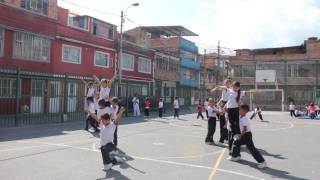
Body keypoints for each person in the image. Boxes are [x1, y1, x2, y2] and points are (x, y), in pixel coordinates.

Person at [228, 104, 267, 169]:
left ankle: (262, 162)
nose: (238, 110)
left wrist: (240, 136)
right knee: (235, 144)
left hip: (246, 135)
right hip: (241, 134)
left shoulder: (245, 119)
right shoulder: (240, 116)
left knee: (251, 148)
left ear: (244, 111)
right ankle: (235, 156)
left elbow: (245, 129)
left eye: (240, 109)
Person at [88, 107, 126, 171]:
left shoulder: (112, 125)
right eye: (102, 120)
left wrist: (121, 112)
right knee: (105, 153)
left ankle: (108, 165)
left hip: (110, 145)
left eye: (103, 120)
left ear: (108, 120)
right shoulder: (102, 124)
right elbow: (95, 117)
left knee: (103, 149)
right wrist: (89, 111)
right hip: (104, 145)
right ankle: (116, 159)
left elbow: (117, 119)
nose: (101, 121)